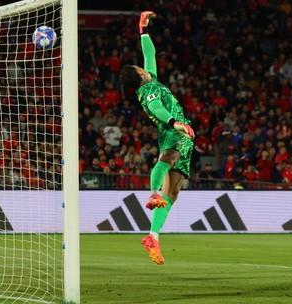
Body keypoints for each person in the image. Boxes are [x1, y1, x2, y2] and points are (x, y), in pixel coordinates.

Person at [120, 11, 195, 265]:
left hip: (182, 132)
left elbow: (149, 54)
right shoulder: (149, 90)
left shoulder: (151, 81)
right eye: (140, 68)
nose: (143, 66)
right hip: (173, 129)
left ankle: (153, 236)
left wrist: (143, 29)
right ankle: (153, 192)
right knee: (168, 157)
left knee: (173, 192)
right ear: (139, 75)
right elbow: (158, 110)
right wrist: (176, 123)